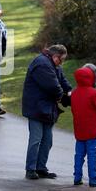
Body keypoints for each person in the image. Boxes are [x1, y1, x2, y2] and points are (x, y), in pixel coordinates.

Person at [22, 44, 72, 180]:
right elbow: (53, 86)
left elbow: (62, 81)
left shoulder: (53, 65)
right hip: (36, 107)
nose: (62, 63)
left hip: (47, 108)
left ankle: (41, 167)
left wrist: (70, 92)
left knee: (47, 141)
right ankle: (30, 169)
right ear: (55, 56)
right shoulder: (42, 64)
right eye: (61, 60)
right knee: (36, 140)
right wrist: (64, 98)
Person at [71, 64, 96, 187]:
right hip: (92, 130)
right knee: (92, 155)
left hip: (79, 130)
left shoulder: (74, 93)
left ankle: (77, 177)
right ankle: (93, 179)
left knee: (79, 155)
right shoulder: (95, 93)